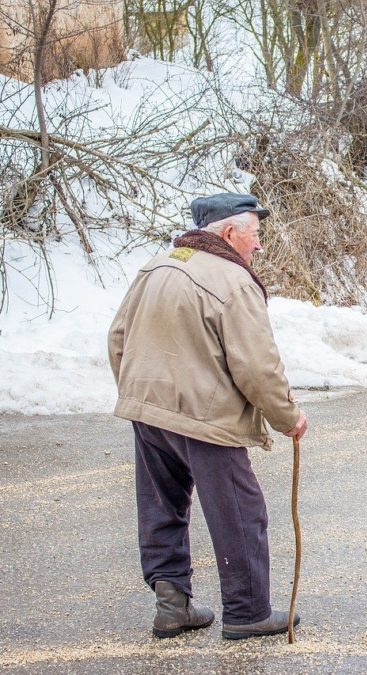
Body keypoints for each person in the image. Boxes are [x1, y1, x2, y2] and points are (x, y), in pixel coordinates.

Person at [108, 193, 308, 640]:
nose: (258, 246)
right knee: (241, 511)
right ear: (230, 232)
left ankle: (172, 606)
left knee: (162, 506)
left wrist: (138, 391)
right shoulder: (233, 281)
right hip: (204, 416)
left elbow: (118, 337)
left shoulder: (156, 266)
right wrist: (286, 417)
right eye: (255, 235)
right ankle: (248, 612)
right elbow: (257, 366)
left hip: (148, 408)